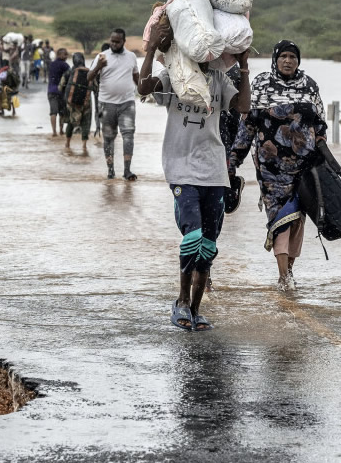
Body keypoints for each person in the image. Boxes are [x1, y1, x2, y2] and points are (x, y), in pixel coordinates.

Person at [138, 18, 249, 330]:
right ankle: (182, 302)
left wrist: (243, 66)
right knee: (192, 238)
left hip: (214, 170)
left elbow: (243, 106)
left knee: (208, 246)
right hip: (182, 170)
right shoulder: (174, 74)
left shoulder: (217, 78)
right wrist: (149, 50)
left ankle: (197, 309)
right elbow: (143, 88)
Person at [230, 40, 328, 292]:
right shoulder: (261, 84)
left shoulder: (309, 86)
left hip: (304, 167)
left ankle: (290, 269)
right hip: (270, 170)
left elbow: (320, 125)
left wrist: (325, 156)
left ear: (298, 60)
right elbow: (247, 125)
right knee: (280, 218)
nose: (287, 61)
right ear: (275, 59)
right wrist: (233, 161)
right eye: (283, 56)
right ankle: (284, 276)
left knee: (298, 220)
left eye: (292, 57)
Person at [92, 29, 141, 180]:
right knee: (108, 137)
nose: (114, 44)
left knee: (128, 136)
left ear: (123, 42)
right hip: (106, 105)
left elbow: (136, 77)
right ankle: (110, 170)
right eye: (112, 41)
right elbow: (89, 77)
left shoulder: (131, 57)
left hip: (127, 103)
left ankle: (127, 170)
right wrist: (99, 66)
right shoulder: (102, 57)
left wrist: (143, 92)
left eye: (117, 41)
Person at [61, 51, 92, 151]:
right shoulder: (90, 71)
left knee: (71, 122)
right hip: (86, 102)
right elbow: (95, 86)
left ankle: (67, 144)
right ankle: (84, 146)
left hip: (72, 103)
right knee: (85, 123)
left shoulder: (70, 72)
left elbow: (60, 86)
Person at [46, 47, 71, 137]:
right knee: (62, 112)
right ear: (59, 55)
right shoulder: (65, 65)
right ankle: (61, 130)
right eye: (65, 54)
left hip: (51, 91)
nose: (67, 56)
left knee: (53, 112)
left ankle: (54, 132)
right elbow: (70, 76)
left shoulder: (51, 64)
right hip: (61, 92)